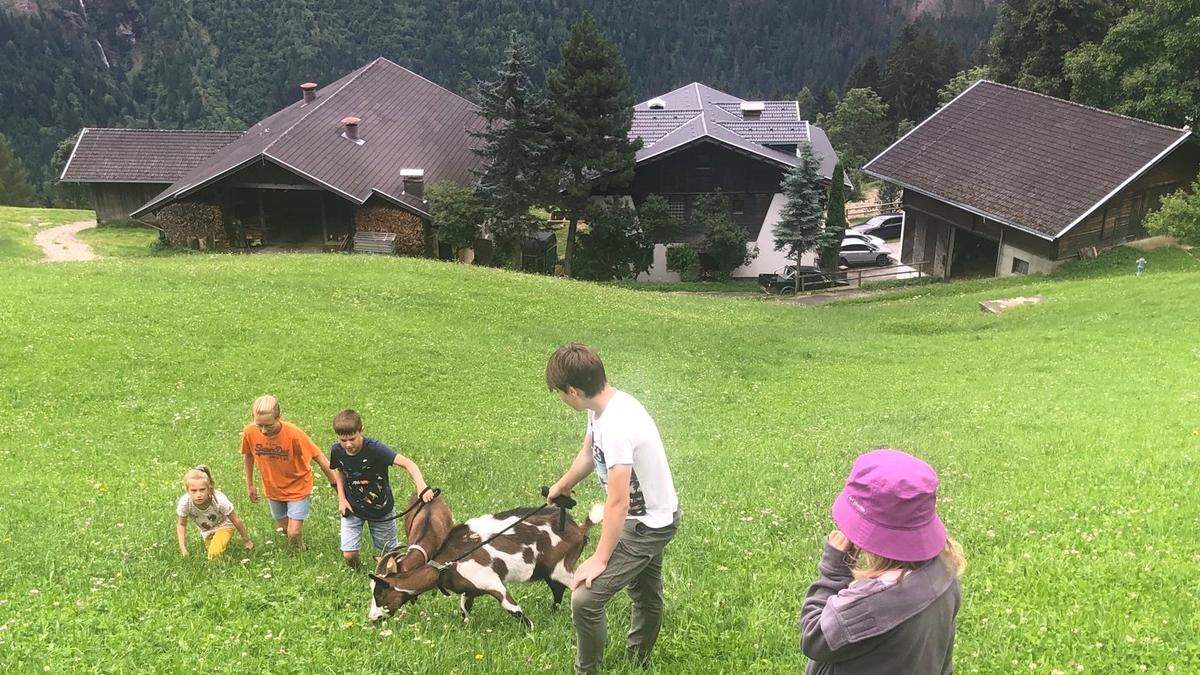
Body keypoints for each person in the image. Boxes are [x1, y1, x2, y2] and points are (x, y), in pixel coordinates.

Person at [544, 343, 680, 674]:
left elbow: (617, 502)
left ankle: (586, 670)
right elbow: (589, 454)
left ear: (573, 391)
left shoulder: (619, 424)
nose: (561, 399)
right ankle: (638, 660)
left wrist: (601, 558)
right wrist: (562, 484)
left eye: (560, 394)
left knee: (585, 600)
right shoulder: (600, 408)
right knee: (646, 593)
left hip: (649, 524)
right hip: (645, 516)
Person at [800, 448, 966, 674]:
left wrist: (833, 571)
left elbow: (813, 636)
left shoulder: (867, 605)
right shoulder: (945, 574)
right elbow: (943, 655)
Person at [329, 409, 432, 569]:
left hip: (380, 508)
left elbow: (408, 464)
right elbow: (340, 471)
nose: (348, 444)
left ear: (361, 431)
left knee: (390, 556)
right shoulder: (337, 451)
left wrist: (421, 486)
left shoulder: (376, 449)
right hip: (352, 508)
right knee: (349, 554)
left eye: (352, 439)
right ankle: (359, 572)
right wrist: (341, 499)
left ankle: (398, 574)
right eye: (343, 440)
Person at [240, 394, 337, 550]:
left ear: (279, 417)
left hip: (298, 486)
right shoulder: (249, 432)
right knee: (284, 530)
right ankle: (295, 550)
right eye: (259, 425)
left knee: (293, 532)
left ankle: (301, 551)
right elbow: (248, 455)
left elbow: (319, 457)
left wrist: (336, 485)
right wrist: (249, 484)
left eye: (268, 425)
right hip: (273, 488)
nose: (263, 431)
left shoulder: (294, 435)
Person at [176, 465, 253, 560]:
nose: (198, 495)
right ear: (187, 490)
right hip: (207, 531)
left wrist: (246, 540)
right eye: (194, 491)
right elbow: (181, 524)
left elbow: (236, 520)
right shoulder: (185, 503)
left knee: (213, 554)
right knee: (215, 556)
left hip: (224, 525)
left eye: (202, 490)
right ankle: (230, 561)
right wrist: (182, 548)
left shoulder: (219, 500)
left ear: (209, 488)